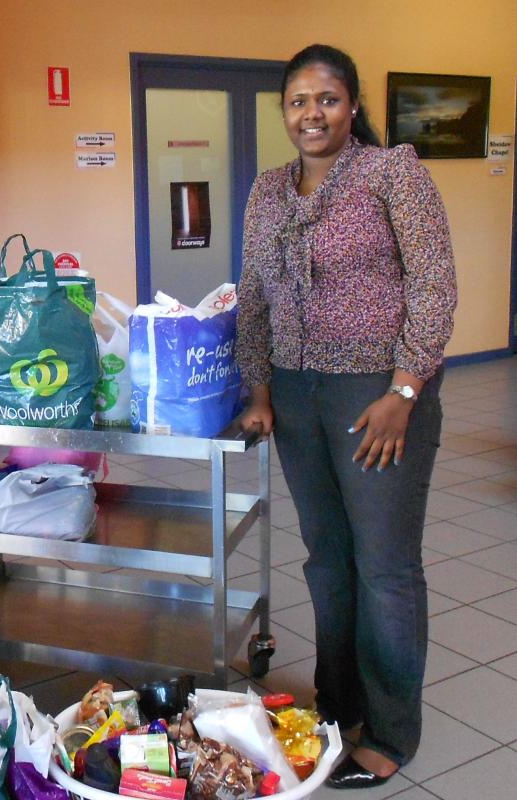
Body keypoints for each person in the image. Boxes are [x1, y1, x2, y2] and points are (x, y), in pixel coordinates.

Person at [236, 44, 456, 789]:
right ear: (284, 111)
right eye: (297, 101)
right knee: (327, 561)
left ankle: (391, 731)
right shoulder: (268, 190)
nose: (311, 114)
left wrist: (402, 391)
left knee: (384, 568)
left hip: (376, 395)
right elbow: (252, 296)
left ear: (352, 106)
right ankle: (337, 706)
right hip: (296, 396)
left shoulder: (393, 171)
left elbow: (433, 286)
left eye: (326, 99)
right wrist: (258, 390)